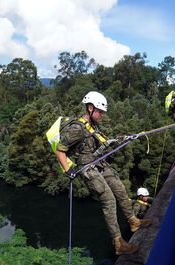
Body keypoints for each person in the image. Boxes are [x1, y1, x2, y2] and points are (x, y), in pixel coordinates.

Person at [55, 91, 152, 255]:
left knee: (120, 189)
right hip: (87, 168)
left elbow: (102, 141)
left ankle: (133, 221)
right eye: (100, 112)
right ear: (90, 108)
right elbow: (60, 150)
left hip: (98, 162)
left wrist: (124, 138)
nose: (102, 115)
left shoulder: (91, 126)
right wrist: (68, 171)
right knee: (109, 200)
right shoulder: (76, 129)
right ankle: (119, 243)